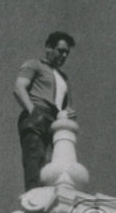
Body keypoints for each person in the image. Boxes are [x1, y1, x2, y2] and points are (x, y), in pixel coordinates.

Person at [14, 32, 75, 190]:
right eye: (60, 50)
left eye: (66, 52)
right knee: (35, 158)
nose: (64, 55)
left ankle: (49, 199)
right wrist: (33, 111)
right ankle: (33, 199)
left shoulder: (64, 78)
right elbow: (19, 87)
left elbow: (65, 105)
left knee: (53, 164)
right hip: (37, 114)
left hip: (55, 122)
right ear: (49, 48)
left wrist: (69, 114)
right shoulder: (35, 65)